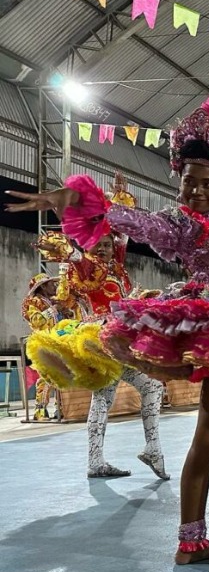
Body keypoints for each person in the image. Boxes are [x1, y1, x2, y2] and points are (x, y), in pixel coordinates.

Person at [8, 69, 209, 569]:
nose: (199, 191)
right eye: (189, 183)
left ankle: (191, 543)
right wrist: (68, 198)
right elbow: (127, 220)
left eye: (207, 182)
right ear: (179, 185)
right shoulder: (179, 226)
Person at [28, 181, 168, 479]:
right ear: (87, 245)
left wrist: (114, 203)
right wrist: (70, 248)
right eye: (97, 245)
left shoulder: (116, 266)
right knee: (129, 392)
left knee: (124, 393)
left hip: (120, 340)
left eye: (107, 244)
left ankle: (121, 456)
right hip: (105, 340)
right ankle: (140, 452)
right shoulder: (87, 266)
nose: (104, 249)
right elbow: (78, 259)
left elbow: (122, 235)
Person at [21, 271, 79, 421]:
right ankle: (40, 410)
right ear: (43, 287)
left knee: (61, 375)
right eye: (51, 284)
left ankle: (61, 409)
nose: (55, 287)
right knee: (46, 377)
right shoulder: (33, 303)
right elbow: (36, 321)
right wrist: (54, 310)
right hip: (42, 343)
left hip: (58, 341)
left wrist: (67, 313)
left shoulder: (53, 302)